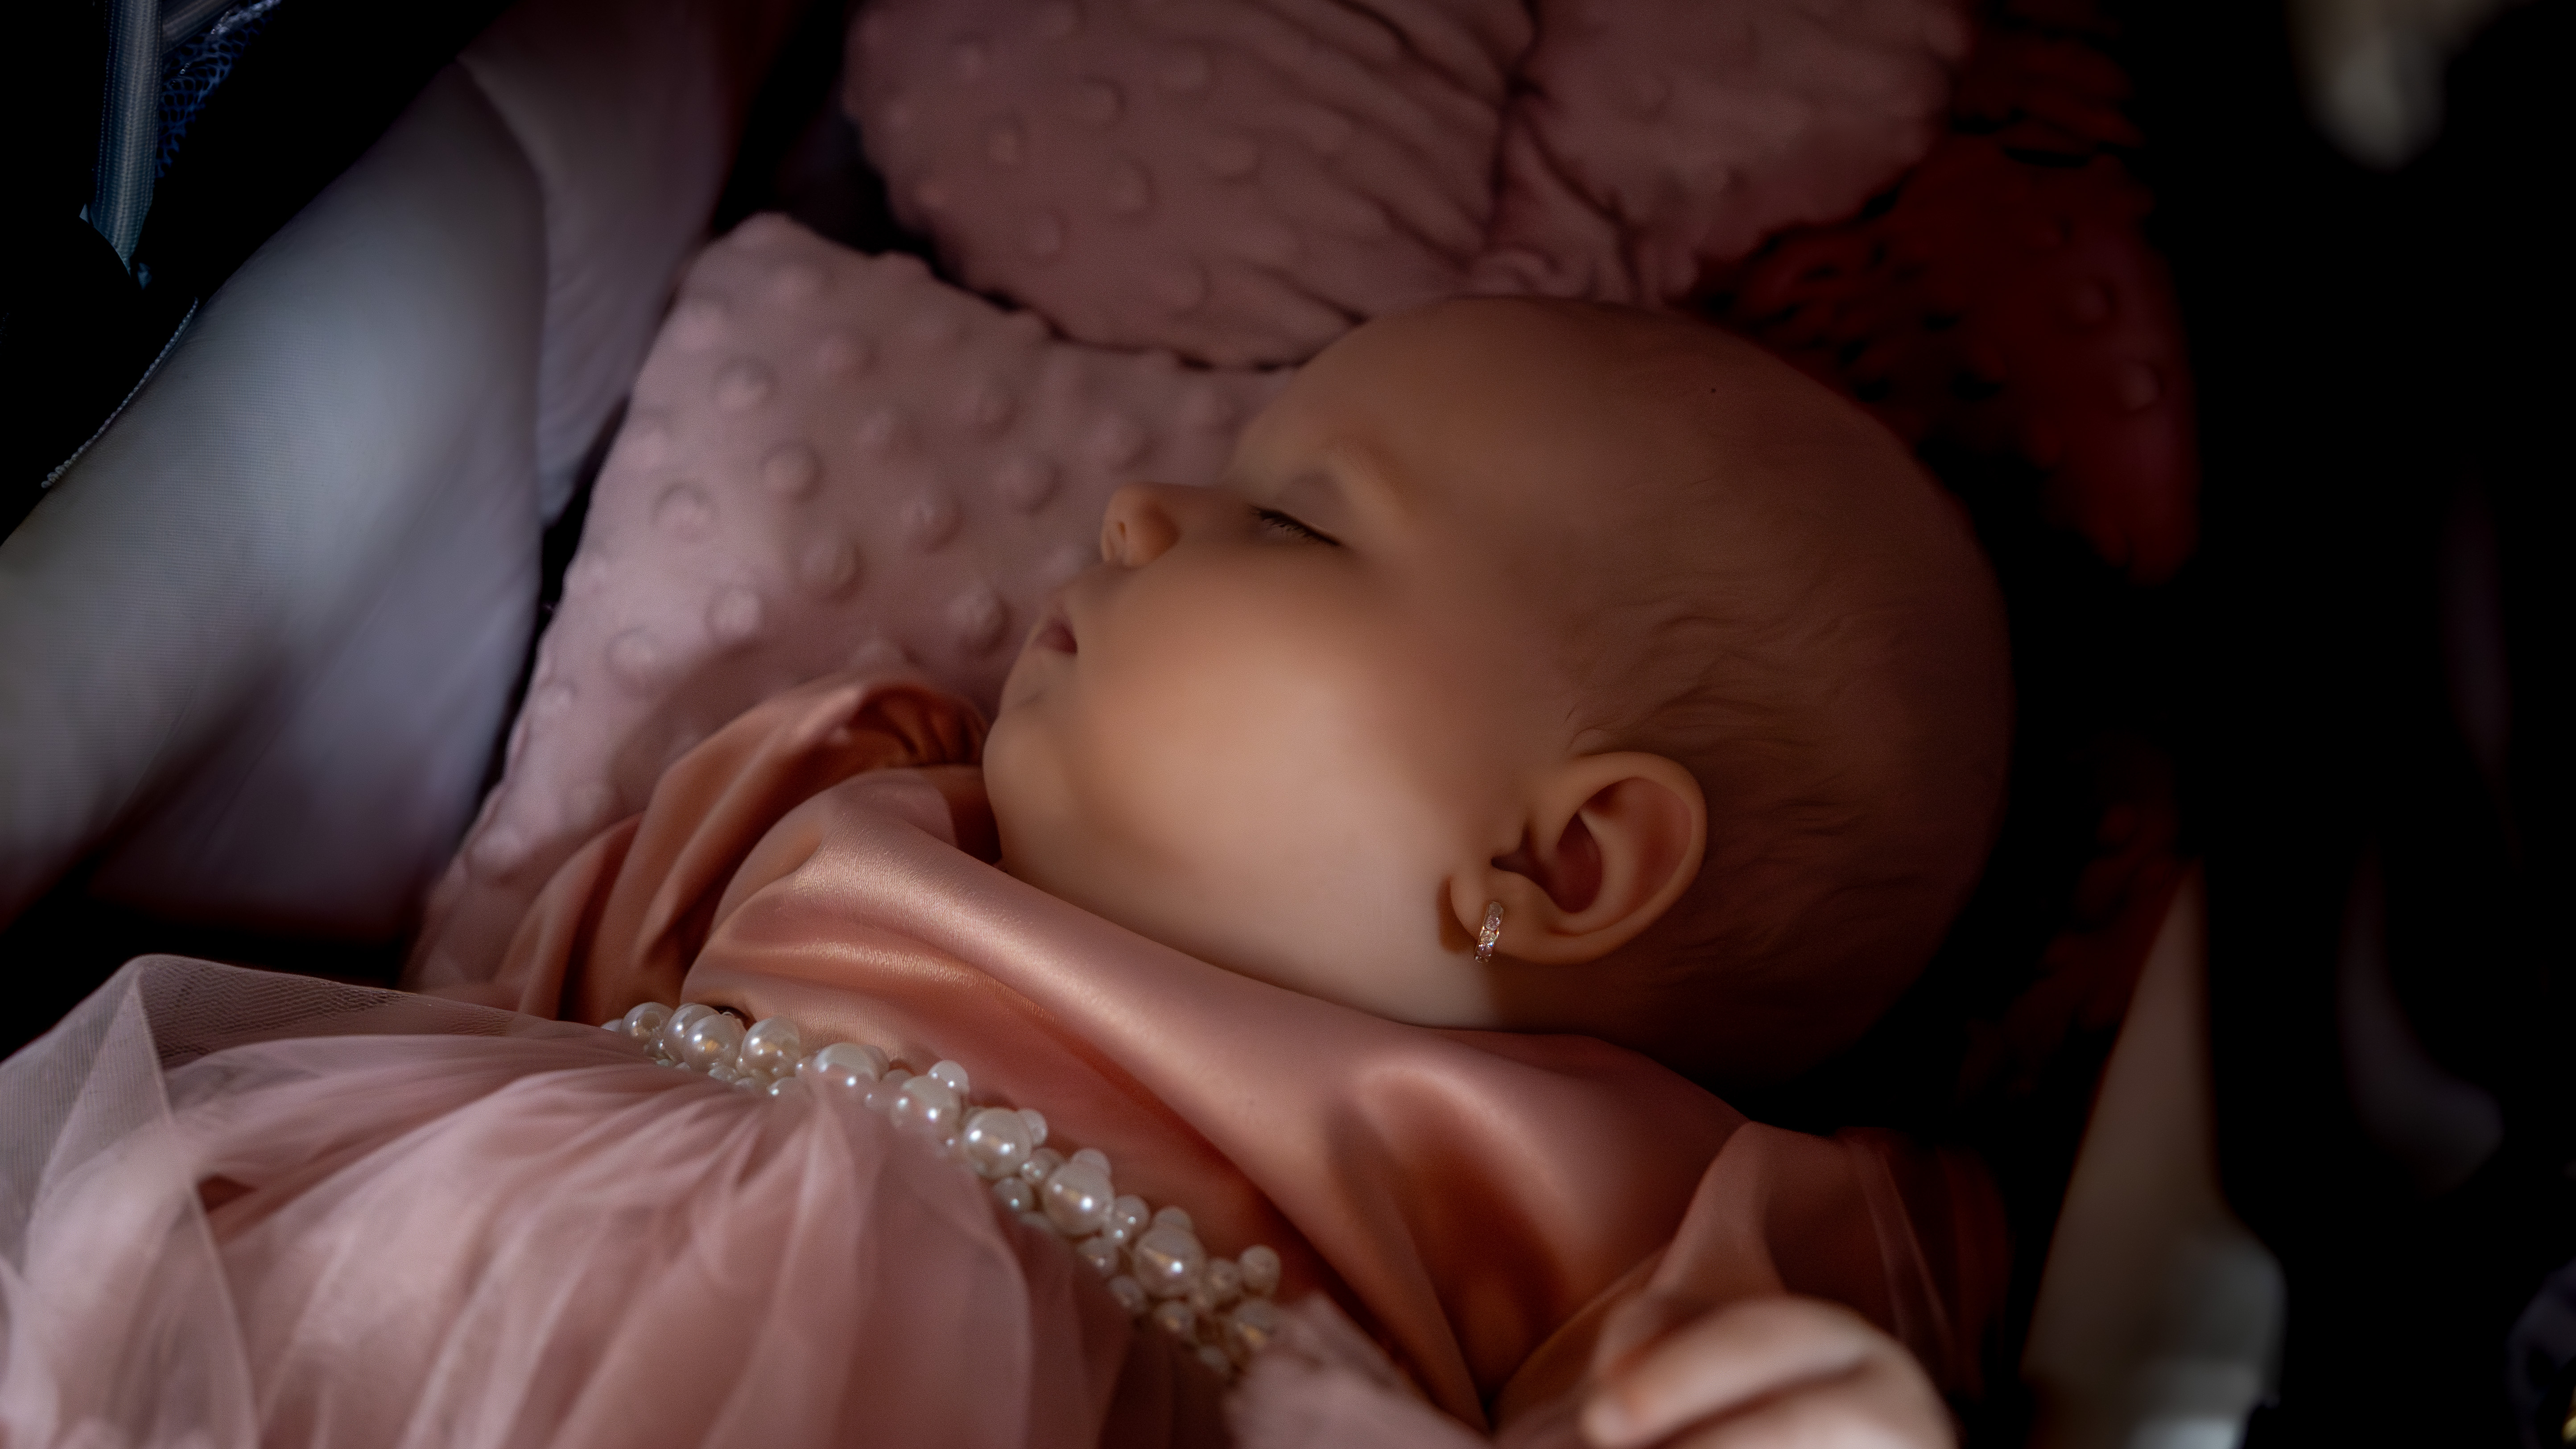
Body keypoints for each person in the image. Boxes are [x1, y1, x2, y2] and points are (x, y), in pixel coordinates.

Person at [0, 299, 2012, 1449]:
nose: (1135, 506)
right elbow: (510, 1016)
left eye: (1295, 529)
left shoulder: (1632, 1200)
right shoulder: (855, 788)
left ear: (1560, 857)